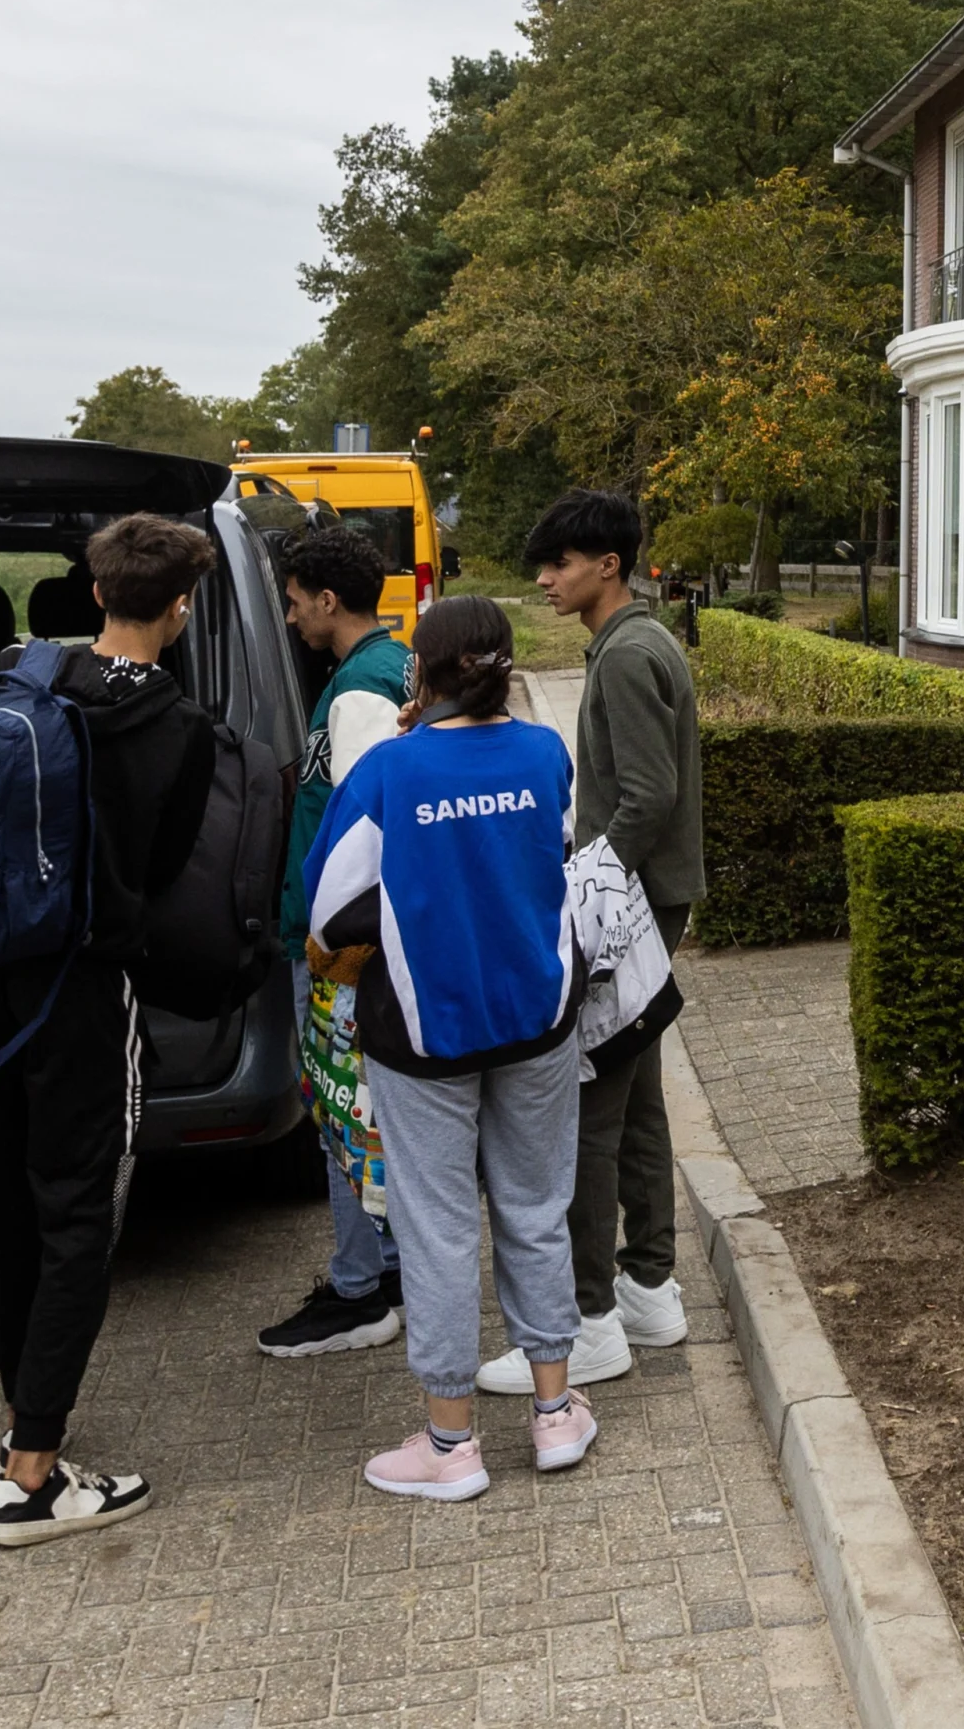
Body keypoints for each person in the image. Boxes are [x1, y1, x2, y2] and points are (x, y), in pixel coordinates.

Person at [0, 513, 216, 1546]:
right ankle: (33, 1476)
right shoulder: (179, 725)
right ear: (180, 607)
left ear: (95, 593)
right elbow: (162, 865)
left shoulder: (18, 675)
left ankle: (22, 1416)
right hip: (79, 989)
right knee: (78, 1214)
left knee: (1, 1205)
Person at [304, 594, 596, 1500]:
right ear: (505, 666)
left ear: (420, 672)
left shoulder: (389, 771)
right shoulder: (545, 751)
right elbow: (547, 848)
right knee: (536, 1206)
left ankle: (450, 1443)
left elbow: (326, 912)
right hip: (538, 1015)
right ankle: (554, 1416)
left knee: (436, 1229)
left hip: (422, 1033)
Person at [477, 490, 699, 1395]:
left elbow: (648, 794)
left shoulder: (626, 657)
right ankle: (651, 1288)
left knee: (588, 1112)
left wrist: (586, 887)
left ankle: (587, 1318)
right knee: (637, 1098)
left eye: (560, 563)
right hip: (650, 900)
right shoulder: (638, 643)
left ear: (607, 564)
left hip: (629, 910)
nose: (545, 579)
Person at [256, 523, 417, 1360]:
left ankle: (360, 1289)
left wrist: (337, 947)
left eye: (292, 602)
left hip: (338, 950)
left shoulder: (360, 689)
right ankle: (383, 1268)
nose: (288, 619)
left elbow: (366, 828)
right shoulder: (390, 667)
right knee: (364, 1111)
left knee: (341, 1111)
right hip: (353, 945)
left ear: (327, 599)